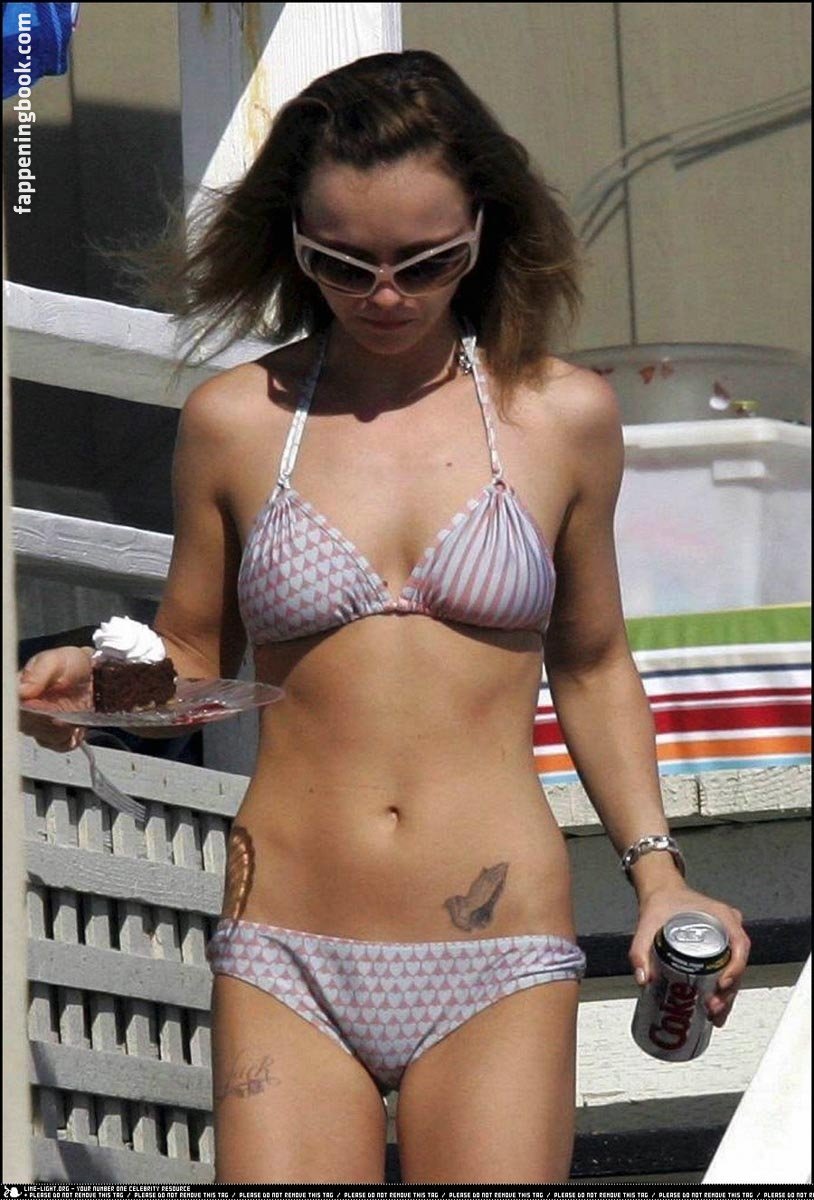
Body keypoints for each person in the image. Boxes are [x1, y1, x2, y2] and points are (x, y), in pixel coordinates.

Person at [18, 50, 750, 1185]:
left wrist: (658, 874)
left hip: (497, 945)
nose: (387, 296)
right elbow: (194, 659)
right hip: (286, 943)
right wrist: (96, 690)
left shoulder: (561, 415)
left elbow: (594, 661)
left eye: (426, 261)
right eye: (343, 265)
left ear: (484, 231)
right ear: (293, 242)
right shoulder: (236, 421)